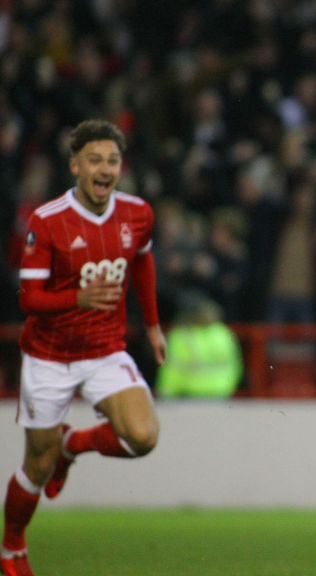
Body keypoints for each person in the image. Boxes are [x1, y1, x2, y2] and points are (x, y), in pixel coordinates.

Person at [2, 119, 166, 576]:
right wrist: (78, 298)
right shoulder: (48, 220)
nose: (105, 168)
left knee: (143, 437)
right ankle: (12, 545)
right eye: (95, 159)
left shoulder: (137, 213)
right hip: (49, 357)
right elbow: (29, 300)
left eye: (112, 160)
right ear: (75, 165)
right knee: (37, 465)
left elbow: (143, 259)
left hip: (104, 350)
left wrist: (152, 325)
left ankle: (73, 444)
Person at [156, 291, 243, 399]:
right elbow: (235, 365)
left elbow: (172, 367)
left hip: (196, 393)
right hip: (213, 392)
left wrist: (166, 391)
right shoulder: (223, 333)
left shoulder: (181, 335)